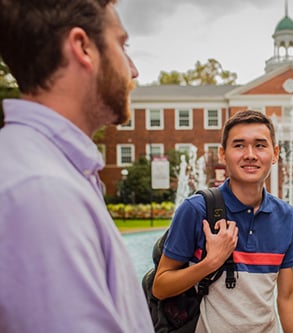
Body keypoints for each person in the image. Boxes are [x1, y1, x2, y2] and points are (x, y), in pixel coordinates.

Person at [0, 1, 154, 332]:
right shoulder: (40, 192)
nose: (134, 70)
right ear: (83, 47)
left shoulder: (54, 170)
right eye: (122, 45)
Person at [152, 110, 293, 332]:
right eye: (239, 145)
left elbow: (287, 296)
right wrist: (210, 263)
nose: (250, 154)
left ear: (275, 154)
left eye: (260, 145)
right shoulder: (196, 209)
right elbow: (160, 286)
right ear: (223, 154)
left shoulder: (286, 216)